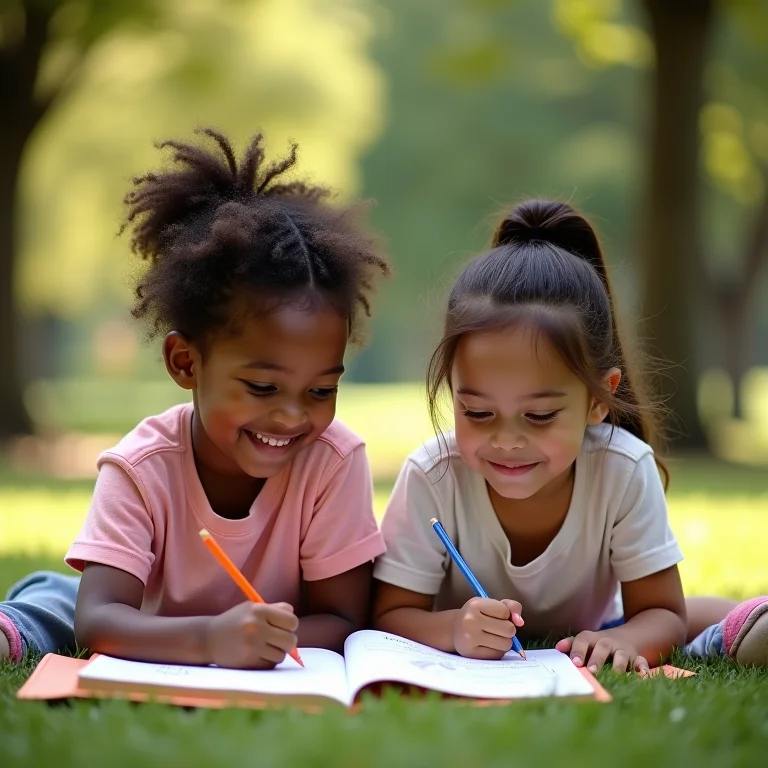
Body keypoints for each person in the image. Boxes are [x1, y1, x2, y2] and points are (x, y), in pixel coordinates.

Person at [0, 127, 391, 668]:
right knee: (61, 604)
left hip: (229, 628)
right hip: (151, 611)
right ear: (185, 362)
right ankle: (18, 623)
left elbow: (345, 618)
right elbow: (100, 621)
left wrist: (261, 637)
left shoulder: (334, 461)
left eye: (322, 390)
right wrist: (211, 640)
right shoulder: (142, 467)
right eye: (262, 387)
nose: (292, 415)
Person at [371, 199, 768, 672]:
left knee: (692, 616)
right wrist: (455, 628)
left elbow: (662, 613)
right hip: (471, 637)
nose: (507, 440)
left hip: (596, 626)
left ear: (599, 399)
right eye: (477, 412)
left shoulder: (623, 468)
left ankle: (739, 626)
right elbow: (390, 615)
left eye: (539, 416)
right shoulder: (433, 477)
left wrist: (622, 640)